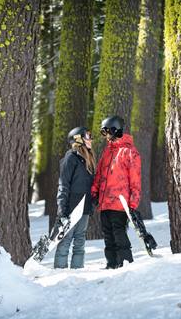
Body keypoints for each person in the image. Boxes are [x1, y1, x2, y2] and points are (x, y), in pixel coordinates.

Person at [91, 115, 141, 269]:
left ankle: (126, 261)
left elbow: (135, 179)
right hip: (105, 201)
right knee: (107, 233)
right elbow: (99, 175)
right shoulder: (107, 152)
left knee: (118, 232)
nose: (106, 136)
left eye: (108, 132)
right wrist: (95, 193)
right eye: (104, 133)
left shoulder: (129, 151)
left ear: (116, 130)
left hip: (120, 201)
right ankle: (112, 263)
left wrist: (133, 202)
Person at [54, 126, 96, 269]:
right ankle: (60, 272)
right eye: (88, 136)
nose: (91, 139)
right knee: (65, 240)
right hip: (71, 208)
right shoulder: (70, 158)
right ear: (78, 139)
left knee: (80, 240)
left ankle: (77, 272)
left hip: (84, 207)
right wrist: (62, 210)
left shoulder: (88, 159)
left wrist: (92, 201)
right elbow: (63, 185)